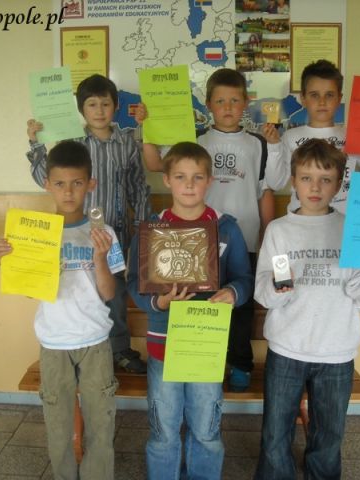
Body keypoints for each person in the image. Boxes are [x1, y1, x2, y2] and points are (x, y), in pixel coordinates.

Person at [253, 138, 360, 480]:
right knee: (275, 435)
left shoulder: (350, 229)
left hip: (336, 352)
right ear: (293, 181)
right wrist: (280, 286)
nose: (315, 187)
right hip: (287, 348)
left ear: (340, 183)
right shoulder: (279, 232)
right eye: (306, 178)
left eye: (325, 179)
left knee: (328, 436)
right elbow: (265, 293)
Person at [137, 68, 283, 392]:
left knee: (239, 306)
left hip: (242, 238)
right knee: (204, 301)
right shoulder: (195, 140)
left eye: (234, 100)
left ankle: (240, 363)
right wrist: (147, 126)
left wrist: (267, 234)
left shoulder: (258, 143)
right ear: (208, 105)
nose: (227, 107)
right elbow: (155, 164)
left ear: (245, 103)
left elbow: (266, 190)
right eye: (220, 101)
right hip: (199, 241)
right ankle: (203, 359)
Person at [0, 141, 123, 480]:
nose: (68, 192)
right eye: (60, 183)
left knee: (101, 423)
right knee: (58, 426)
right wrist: (7, 262)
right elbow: (28, 291)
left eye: (77, 183)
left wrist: (99, 258)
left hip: (95, 341)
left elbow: (109, 293)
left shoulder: (103, 233)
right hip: (53, 342)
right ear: (47, 184)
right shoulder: (33, 236)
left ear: (90, 184)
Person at [127, 142, 254, 480]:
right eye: (180, 176)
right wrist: (158, 302)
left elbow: (245, 278)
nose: (189, 184)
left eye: (197, 177)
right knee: (163, 432)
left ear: (209, 181)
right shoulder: (150, 230)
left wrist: (233, 292)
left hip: (205, 346)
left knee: (206, 431)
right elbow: (134, 283)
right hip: (163, 346)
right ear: (167, 180)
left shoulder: (226, 228)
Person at [26, 74, 150, 374]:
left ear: (115, 106)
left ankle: (118, 349)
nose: (99, 111)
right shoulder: (72, 143)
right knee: (83, 289)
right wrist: (35, 142)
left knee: (114, 293)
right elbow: (46, 177)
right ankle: (86, 349)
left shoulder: (127, 142)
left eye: (105, 104)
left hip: (114, 233)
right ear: (81, 110)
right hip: (77, 234)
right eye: (91, 104)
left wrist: (143, 226)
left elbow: (138, 185)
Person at [269, 59, 360, 213]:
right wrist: (273, 147)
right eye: (314, 95)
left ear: (339, 99)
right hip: (301, 220)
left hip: (341, 220)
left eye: (329, 95)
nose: (322, 102)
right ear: (303, 98)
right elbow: (276, 183)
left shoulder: (351, 135)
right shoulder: (290, 137)